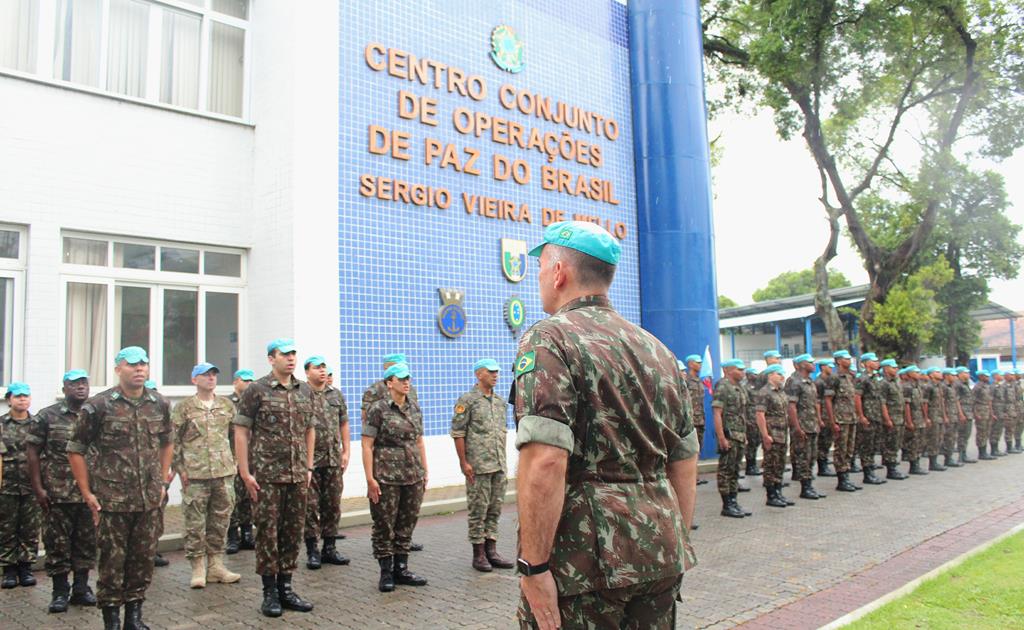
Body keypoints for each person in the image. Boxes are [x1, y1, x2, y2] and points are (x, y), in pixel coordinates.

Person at [513, 221, 697, 629]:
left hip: (586, 563)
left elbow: (545, 460)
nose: (540, 276)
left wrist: (534, 566)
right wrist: (673, 539)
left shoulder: (551, 339)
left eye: (542, 266)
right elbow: (684, 458)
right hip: (661, 552)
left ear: (559, 272)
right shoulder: (657, 349)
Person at [68, 347, 172, 630]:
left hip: (148, 500)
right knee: (112, 564)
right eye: (132, 365)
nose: (139, 369)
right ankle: (112, 620)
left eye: (144, 364)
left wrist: (162, 481)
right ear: (118, 369)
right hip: (112, 501)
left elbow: (167, 441)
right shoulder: (99, 406)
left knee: (142, 560)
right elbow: (76, 449)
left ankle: (134, 618)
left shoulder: (159, 403)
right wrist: (87, 492)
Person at [233, 338, 316, 618]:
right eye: (285, 354)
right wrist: (245, 472)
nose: (291, 359)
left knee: (292, 532)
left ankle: (287, 588)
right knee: (268, 534)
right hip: (267, 476)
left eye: (294, 354)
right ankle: (269, 593)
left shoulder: (304, 390)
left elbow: (310, 429)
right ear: (271, 359)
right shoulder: (256, 390)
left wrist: (308, 467)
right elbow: (241, 431)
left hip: (296, 475)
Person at [26, 370, 98, 612]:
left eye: (84, 383)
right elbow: (33, 452)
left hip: (89, 492)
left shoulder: (96, 413)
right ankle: (59, 592)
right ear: (64, 388)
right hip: (56, 492)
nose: (80, 387)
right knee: (57, 544)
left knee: (86, 542)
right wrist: (37, 488)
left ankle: (81, 588)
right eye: (74, 384)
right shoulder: (47, 416)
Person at [172, 362, 241, 589]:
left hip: (223, 472)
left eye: (213, 374)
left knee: (220, 520)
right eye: (205, 375)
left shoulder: (226, 405)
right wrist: (180, 468)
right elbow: (173, 441)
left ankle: (216, 565)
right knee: (195, 522)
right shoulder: (184, 407)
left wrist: (237, 462)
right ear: (194, 380)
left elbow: (236, 436)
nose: (211, 378)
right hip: (195, 474)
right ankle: (198, 567)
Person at [362, 362, 429, 592]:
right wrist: (370, 478)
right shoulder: (378, 409)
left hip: (412, 475)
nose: (406, 382)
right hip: (386, 476)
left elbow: (419, 441)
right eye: (401, 379)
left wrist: (425, 471)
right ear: (389, 383)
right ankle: (386, 572)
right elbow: (367, 444)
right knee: (384, 524)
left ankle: (402, 568)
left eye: (408, 378)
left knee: (406, 523)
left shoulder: (415, 408)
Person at [451, 358, 515, 572]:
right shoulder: (467, 400)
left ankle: (492, 550)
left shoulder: (499, 402)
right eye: (491, 372)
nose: (496, 375)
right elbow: (458, 433)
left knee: (495, 509)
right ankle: (478, 554)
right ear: (479, 374)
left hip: (498, 465)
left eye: (497, 372)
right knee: (478, 509)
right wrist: (464, 462)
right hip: (478, 466)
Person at [302, 356, 351, 570]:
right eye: (317, 368)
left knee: (332, 504)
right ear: (307, 372)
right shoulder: (301, 394)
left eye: (324, 367)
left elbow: (344, 423)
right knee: (310, 506)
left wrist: (346, 450)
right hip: (310, 460)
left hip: (333, 458)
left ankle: (329, 548)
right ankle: (312, 550)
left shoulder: (336, 394)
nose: (322, 371)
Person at [1, 382, 40, 589]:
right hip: (6, 485)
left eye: (26, 396)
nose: (22, 399)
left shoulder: (37, 424)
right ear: (9, 400)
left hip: (31, 485)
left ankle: (26, 567)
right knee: (6, 528)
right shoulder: (1, 424)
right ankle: (8, 569)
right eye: (18, 396)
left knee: (30, 528)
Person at [715, 359, 752, 518]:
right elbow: (717, 413)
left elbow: (743, 413)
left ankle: (734, 501)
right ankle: (727, 504)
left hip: (740, 434)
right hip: (729, 435)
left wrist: (745, 435)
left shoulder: (740, 388)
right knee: (726, 470)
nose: (743, 372)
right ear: (729, 370)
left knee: (736, 469)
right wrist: (721, 437)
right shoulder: (723, 386)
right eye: (739, 369)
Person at [785, 354, 825, 499]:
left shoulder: (809, 381)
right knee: (803, 457)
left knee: (812, 456)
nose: (813, 364)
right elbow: (791, 407)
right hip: (802, 426)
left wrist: (818, 421)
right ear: (801, 365)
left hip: (812, 425)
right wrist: (797, 427)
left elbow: (814, 404)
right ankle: (805, 487)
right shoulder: (794, 382)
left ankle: (809, 485)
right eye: (810, 362)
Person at [226, 369, 256, 554]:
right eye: (246, 380)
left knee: (248, 497)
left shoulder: (255, 402)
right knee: (233, 497)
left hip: (252, 456)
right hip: (231, 457)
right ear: (236, 382)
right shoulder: (227, 403)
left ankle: (247, 534)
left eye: (252, 380)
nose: (249, 384)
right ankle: (232, 536)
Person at [755, 364, 793, 507]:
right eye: (779, 374)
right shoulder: (764, 392)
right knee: (771, 465)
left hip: (782, 434)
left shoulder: (781, 392)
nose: (782, 376)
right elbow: (760, 414)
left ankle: (778, 492)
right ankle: (771, 495)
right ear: (770, 375)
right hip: (772, 434)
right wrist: (765, 435)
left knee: (780, 464)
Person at [825, 350, 861, 492]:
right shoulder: (834, 378)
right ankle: (841, 479)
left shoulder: (851, 377)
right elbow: (828, 400)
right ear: (839, 361)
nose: (849, 360)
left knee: (849, 449)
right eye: (845, 358)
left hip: (851, 418)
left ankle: (846, 477)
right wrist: (832, 421)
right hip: (840, 418)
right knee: (841, 449)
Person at [854, 353, 886, 485]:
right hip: (868, 415)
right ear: (866, 363)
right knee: (866, 445)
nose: (877, 363)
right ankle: (867, 473)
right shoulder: (863, 378)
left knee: (873, 444)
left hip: (876, 415)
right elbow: (857, 397)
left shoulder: (876, 378)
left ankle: (871, 470)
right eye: (874, 361)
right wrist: (861, 416)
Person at [878, 359, 908, 480]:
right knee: (890, 443)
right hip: (891, 417)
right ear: (886, 369)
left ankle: (893, 465)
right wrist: (887, 419)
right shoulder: (884, 383)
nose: (896, 369)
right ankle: (891, 469)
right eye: (893, 367)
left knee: (896, 443)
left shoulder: (896, 382)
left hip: (899, 417)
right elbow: (882, 403)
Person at [683, 355, 709, 486]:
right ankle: (691, 478)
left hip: (700, 420)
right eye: (697, 363)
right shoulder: (686, 380)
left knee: (697, 450)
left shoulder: (699, 381)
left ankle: (696, 477)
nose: (699, 365)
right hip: (691, 420)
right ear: (691, 364)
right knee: (690, 451)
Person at [815, 358, 837, 477]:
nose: (831, 368)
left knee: (828, 440)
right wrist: (819, 419)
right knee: (822, 442)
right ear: (823, 367)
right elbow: (817, 402)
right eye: (829, 366)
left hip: (829, 414)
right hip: (823, 414)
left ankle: (825, 464)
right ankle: (822, 466)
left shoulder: (829, 381)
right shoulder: (819, 382)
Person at [922, 368, 948, 471]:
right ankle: (932, 462)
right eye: (937, 372)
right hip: (932, 415)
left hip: (939, 415)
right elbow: (925, 403)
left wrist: (944, 415)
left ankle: (935, 460)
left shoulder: (939, 386)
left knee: (939, 438)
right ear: (931, 375)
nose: (940, 374)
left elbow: (941, 402)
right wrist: (926, 417)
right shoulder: (928, 386)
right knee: (933, 439)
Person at [941, 369, 965, 467]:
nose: (955, 377)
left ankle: (950, 457)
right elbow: (941, 402)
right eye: (953, 375)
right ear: (946, 375)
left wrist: (960, 413)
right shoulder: (943, 387)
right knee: (948, 437)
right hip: (948, 415)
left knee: (952, 437)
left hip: (954, 415)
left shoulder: (952, 387)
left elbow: (956, 401)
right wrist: (945, 416)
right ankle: (947, 458)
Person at [743, 365, 763, 477]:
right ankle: (750, 466)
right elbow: (744, 405)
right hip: (750, 418)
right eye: (753, 374)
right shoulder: (746, 388)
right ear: (748, 375)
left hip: (756, 418)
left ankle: (753, 463)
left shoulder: (758, 387)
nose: (756, 376)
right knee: (751, 443)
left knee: (756, 442)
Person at [954, 367, 977, 464]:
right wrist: (960, 413)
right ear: (959, 374)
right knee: (962, 435)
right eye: (965, 373)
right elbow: (956, 400)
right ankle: (961, 456)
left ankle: (964, 454)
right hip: (963, 412)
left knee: (966, 434)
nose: (968, 374)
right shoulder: (957, 384)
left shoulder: (966, 384)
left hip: (968, 412)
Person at [973, 370, 996, 460]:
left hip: (987, 411)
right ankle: (981, 452)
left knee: (986, 431)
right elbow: (973, 401)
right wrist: (976, 413)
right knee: (981, 432)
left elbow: (989, 401)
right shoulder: (977, 387)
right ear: (981, 377)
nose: (987, 378)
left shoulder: (987, 386)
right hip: (980, 411)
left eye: (988, 376)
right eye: (986, 376)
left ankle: (985, 451)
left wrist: (991, 412)